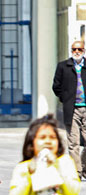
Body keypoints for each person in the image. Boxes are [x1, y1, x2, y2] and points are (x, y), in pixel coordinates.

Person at [52, 40, 86, 180]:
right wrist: (65, 99)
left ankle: (84, 167)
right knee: (74, 143)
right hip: (71, 109)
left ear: (83, 50)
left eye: (79, 49)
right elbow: (56, 86)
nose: (76, 52)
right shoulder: (63, 66)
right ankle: (76, 172)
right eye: (74, 49)